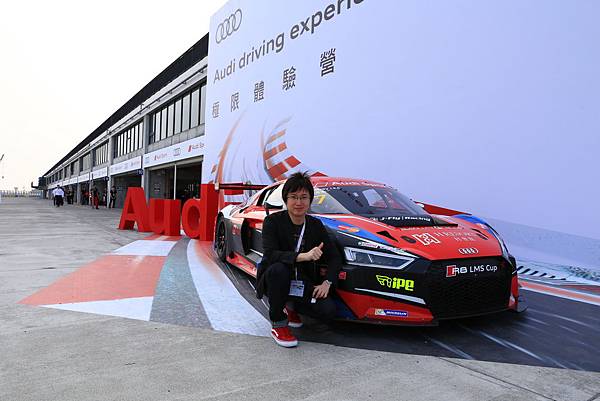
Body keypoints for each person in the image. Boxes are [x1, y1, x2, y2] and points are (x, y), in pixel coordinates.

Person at [256, 172, 342, 348]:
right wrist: (304, 256)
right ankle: (279, 323)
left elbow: (334, 257)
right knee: (279, 270)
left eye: (304, 197)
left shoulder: (315, 225)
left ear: (310, 200)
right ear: (285, 199)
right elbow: (271, 254)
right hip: (275, 279)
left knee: (328, 311)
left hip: (302, 281)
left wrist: (327, 282)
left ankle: (291, 306)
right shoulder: (272, 221)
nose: (298, 202)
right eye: (293, 197)